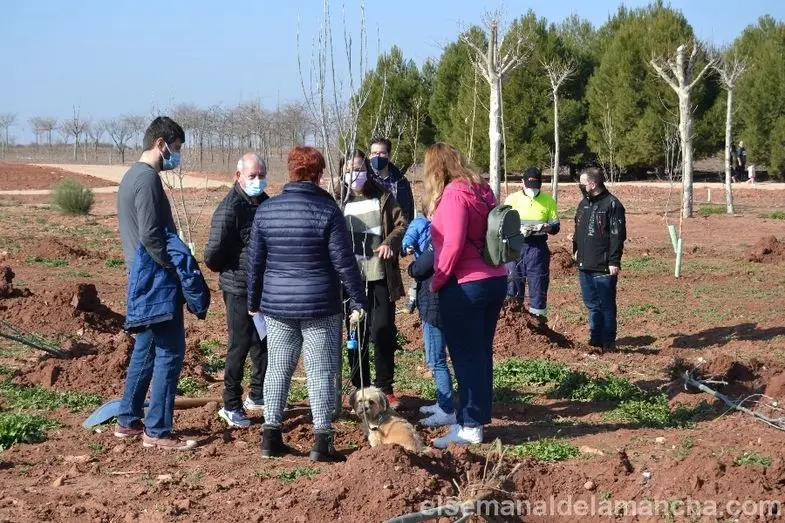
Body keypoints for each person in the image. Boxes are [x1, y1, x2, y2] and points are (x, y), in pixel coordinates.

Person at [247, 146, 368, 462]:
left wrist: (253, 301)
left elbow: (255, 263)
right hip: (320, 305)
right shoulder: (328, 211)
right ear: (318, 175)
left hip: (277, 306)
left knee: (278, 368)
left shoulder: (267, 211)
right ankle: (322, 441)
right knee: (320, 371)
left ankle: (271, 436)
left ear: (291, 171)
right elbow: (343, 262)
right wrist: (358, 298)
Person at [115, 116, 197, 450]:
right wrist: (174, 269)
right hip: (155, 280)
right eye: (175, 148)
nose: (177, 155)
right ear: (160, 144)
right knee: (170, 351)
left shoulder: (131, 176)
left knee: (146, 347)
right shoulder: (147, 179)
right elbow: (151, 235)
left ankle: (128, 419)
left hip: (142, 277)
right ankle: (158, 431)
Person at [425, 143, 508, 448]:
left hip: (465, 285)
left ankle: (470, 426)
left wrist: (438, 280)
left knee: (465, 356)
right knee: (481, 353)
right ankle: (475, 418)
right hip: (494, 277)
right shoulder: (482, 190)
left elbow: (453, 243)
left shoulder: (454, 194)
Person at [204, 153, 269, 428]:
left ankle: (258, 394)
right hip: (238, 287)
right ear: (238, 176)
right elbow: (212, 255)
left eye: (261, 175)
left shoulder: (264, 203)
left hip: (262, 288)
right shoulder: (230, 208)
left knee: (262, 342)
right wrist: (234, 269)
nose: (257, 180)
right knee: (239, 344)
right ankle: (231, 404)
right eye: (252, 176)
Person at [342, 149, 407, 409]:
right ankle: (359, 386)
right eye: (348, 170)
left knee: (382, 332)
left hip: (379, 276)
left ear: (367, 169)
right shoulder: (340, 201)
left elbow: (401, 224)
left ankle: (385, 388)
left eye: (358, 168)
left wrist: (390, 242)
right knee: (355, 335)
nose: (354, 174)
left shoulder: (383, 197)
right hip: (351, 280)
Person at [406, 205, 455, 427]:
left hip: (433, 305)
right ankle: (442, 402)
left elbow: (419, 268)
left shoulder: (438, 239)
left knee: (436, 359)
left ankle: (446, 409)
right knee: (437, 357)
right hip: (441, 303)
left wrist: (411, 267)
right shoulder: (449, 236)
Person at [573, 167, 627, 353]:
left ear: (592, 184)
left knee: (606, 305)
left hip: (603, 266)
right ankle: (595, 339)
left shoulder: (612, 205)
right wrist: (576, 251)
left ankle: (608, 341)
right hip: (585, 264)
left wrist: (614, 261)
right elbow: (577, 229)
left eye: (582, 183)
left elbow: (617, 235)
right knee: (591, 305)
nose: (580, 186)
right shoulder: (584, 204)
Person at [503, 168, 560, 322]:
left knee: (538, 285)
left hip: (537, 248)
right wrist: (516, 228)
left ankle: (539, 321)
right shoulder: (512, 199)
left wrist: (545, 227)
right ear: (522, 182)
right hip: (515, 248)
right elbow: (502, 224)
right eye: (529, 186)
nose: (532, 190)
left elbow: (555, 227)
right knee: (513, 284)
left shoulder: (548, 201)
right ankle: (514, 321)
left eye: (535, 186)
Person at [368, 137, 415, 224]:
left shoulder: (401, 181)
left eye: (382, 153)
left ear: (389, 155)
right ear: (370, 156)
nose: (377, 156)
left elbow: (409, 210)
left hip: (399, 229)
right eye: (374, 153)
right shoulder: (366, 180)